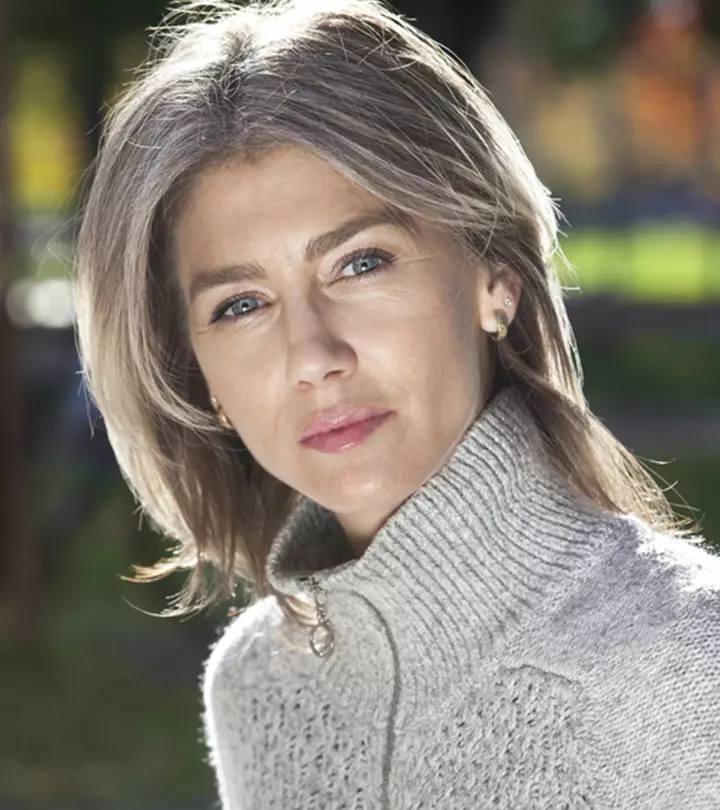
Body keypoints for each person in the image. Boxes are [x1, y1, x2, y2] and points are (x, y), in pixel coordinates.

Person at [73, 0, 720, 807]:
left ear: (495, 278)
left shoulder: (693, 664)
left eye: (360, 263)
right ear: (198, 374)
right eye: (240, 305)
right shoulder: (255, 689)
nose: (314, 358)